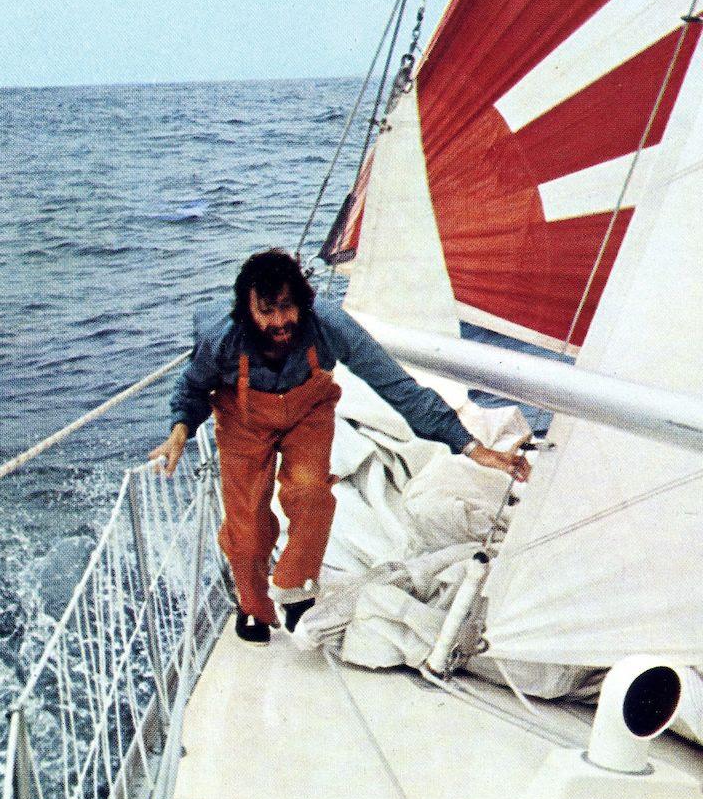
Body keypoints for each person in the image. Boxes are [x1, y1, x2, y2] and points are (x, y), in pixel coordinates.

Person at [149, 249, 529, 644]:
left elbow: (397, 387)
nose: (279, 322)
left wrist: (469, 446)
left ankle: (297, 588)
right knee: (247, 528)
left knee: (311, 493)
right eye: (267, 311)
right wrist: (179, 432)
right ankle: (252, 604)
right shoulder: (222, 339)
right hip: (243, 423)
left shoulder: (328, 325)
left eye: (286, 307)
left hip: (306, 414)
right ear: (247, 311)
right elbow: (192, 388)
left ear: (301, 301)